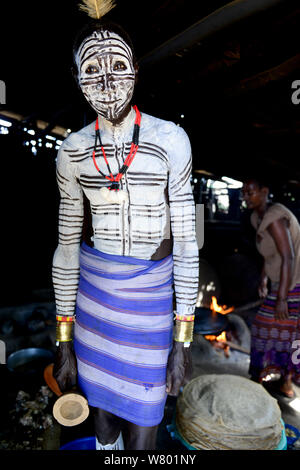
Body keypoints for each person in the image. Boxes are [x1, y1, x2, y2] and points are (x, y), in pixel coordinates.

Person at [52, 0, 199, 450]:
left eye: (118, 65)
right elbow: (67, 245)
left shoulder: (170, 140)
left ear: (135, 69)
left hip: (151, 303)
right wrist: (64, 338)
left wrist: (183, 338)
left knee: (144, 428)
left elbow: (188, 242)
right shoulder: (72, 151)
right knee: (104, 427)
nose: (108, 80)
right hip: (95, 301)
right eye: (93, 69)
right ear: (78, 79)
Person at [242, 178, 300, 398]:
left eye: (251, 192)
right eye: (244, 193)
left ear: (265, 191)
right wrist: (264, 279)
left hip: (294, 282)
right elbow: (271, 254)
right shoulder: (258, 217)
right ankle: (284, 383)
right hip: (283, 281)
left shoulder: (275, 217)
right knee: (289, 333)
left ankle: (263, 379)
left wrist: (282, 298)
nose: (246, 197)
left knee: (263, 327)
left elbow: (288, 257)